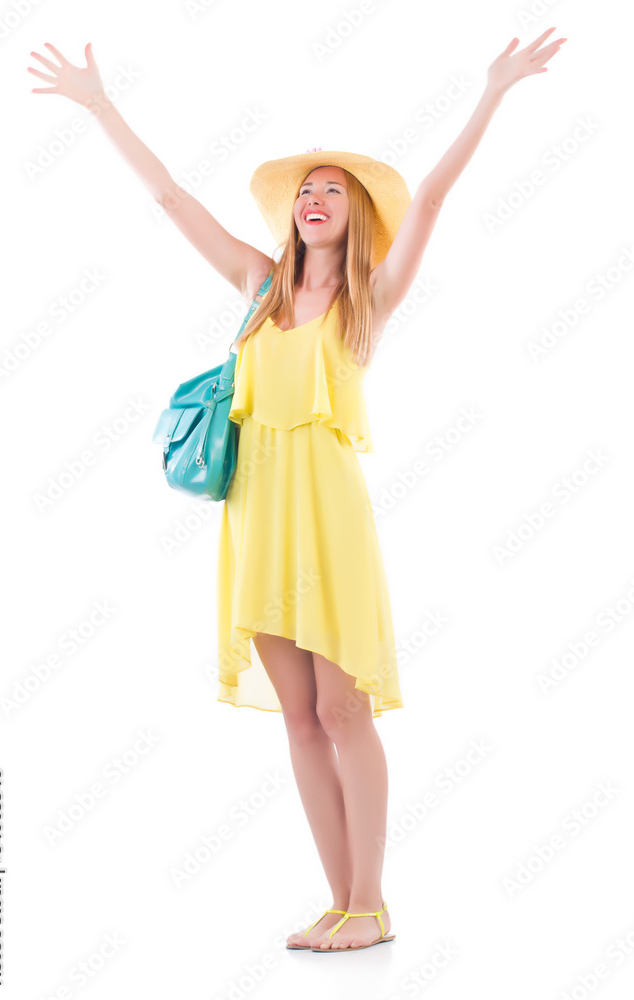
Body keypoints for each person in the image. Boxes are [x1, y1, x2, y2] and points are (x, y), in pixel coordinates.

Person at [28, 27, 566, 952]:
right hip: (255, 522)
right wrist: (97, 103)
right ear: (292, 214)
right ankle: (343, 900)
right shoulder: (260, 286)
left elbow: (433, 195)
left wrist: (494, 91)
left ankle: (372, 902)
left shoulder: (366, 302)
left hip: (329, 525)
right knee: (301, 724)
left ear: (356, 217)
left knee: (343, 708)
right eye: (307, 190)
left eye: (334, 192)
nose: (317, 199)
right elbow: (169, 196)